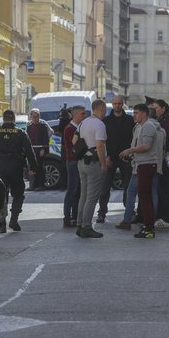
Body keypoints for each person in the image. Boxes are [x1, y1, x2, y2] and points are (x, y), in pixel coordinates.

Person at [0, 110, 38, 232]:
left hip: (0, 168)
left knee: (1, 195)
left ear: (3, 119)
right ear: (13, 119)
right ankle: (14, 220)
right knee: (18, 194)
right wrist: (33, 167)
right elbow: (29, 151)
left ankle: (2, 223)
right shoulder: (20, 132)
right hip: (16, 167)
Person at [119, 104, 162, 239]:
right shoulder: (141, 127)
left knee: (146, 198)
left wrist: (130, 150)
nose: (134, 115)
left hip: (147, 165)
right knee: (144, 197)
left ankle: (149, 228)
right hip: (141, 164)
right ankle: (147, 226)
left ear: (144, 114)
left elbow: (146, 146)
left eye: (136, 113)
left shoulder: (148, 126)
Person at [74, 99, 108, 238]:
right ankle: (86, 227)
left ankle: (79, 224)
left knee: (84, 195)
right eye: (104, 109)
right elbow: (100, 146)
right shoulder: (99, 125)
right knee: (92, 197)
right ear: (101, 109)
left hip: (82, 162)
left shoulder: (83, 122)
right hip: (93, 163)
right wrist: (103, 164)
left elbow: (74, 141)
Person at [98, 95, 134, 223]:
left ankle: (130, 212)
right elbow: (102, 141)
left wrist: (131, 153)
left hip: (126, 158)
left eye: (119, 103)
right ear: (112, 105)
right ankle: (102, 212)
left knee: (128, 187)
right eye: (115, 104)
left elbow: (134, 139)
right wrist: (105, 157)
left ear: (122, 104)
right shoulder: (106, 121)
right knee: (104, 187)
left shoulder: (130, 120)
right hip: (110, 158)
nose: (117, 106)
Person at [152, 99, 169, 228]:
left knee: (165, 189)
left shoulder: (166, 121)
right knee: (163, 188)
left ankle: (167, 218)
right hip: (163, 158)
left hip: (165, 159)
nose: (154, 110)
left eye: (156, 108)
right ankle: (165, 216)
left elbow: (167, 141)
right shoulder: (162, 120)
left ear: (163, 108)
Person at [62, 105, 87, 227]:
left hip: (78, 161)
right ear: (75, 115)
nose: (84, 116)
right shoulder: (69, 129)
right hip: (73, 162)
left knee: (78, 191)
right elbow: (75, 146)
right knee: (72, 190)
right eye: (82, 114)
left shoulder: (78, 127)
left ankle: (75, 215)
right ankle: (67, 217)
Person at [26, 108, 53, 191]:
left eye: (36, 116)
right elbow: (27, 139)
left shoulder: (43, 126)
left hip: (40, 149)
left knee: (40, 168)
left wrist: (43, 149)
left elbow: (46, 139)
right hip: (32, 149)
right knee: (31, 168)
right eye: (33, 116)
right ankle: (32, 185)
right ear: (31, 117)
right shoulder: (29, 127)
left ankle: (41, 185)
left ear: (39, 117)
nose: (35, 118)